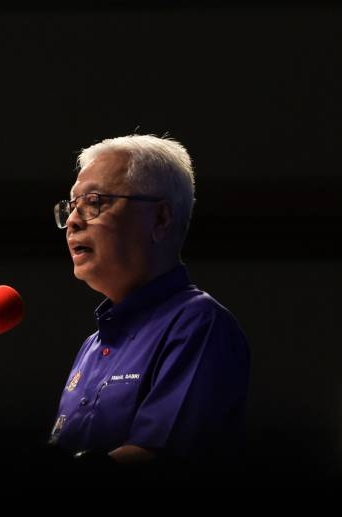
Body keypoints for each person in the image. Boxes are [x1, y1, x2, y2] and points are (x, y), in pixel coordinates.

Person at [49, 134, 249, 473]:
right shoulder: (92, 346)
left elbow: (156, 464)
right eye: (71, 206)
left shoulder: (198, 324)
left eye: (94, 201)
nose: (72, 221)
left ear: (160, 219)